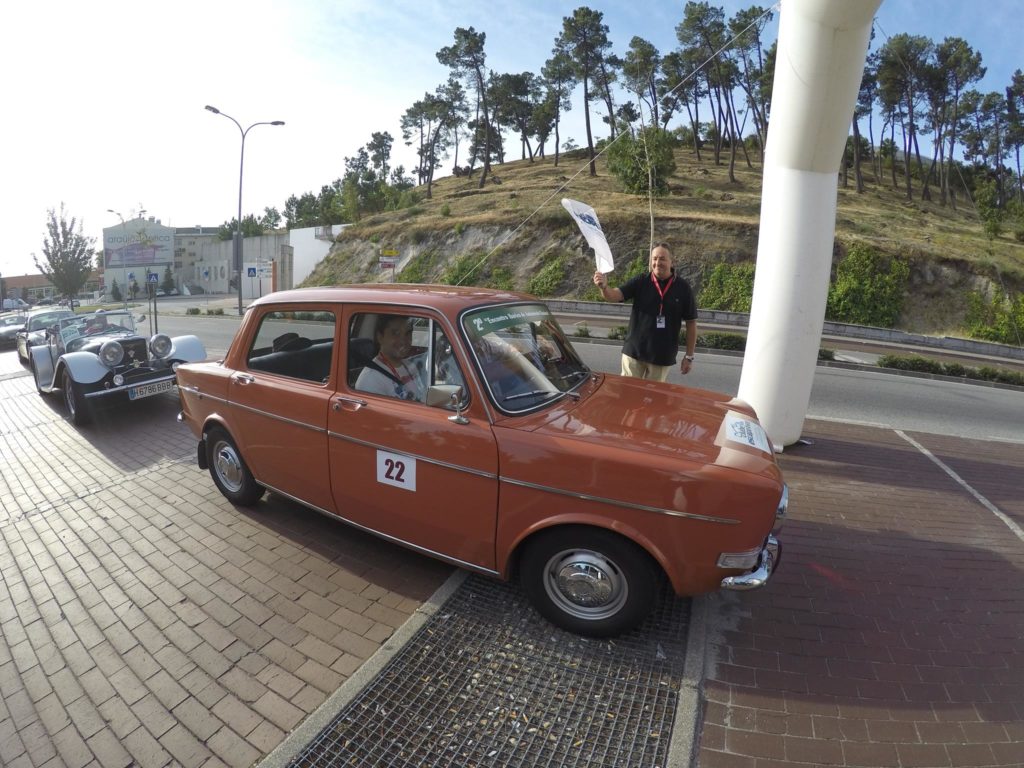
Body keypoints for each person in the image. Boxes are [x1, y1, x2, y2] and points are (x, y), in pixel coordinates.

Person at [593, 242, 697, 381]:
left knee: (652, 400)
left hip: (662, 357)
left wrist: (689, 357)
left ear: (672, 262)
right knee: (627, 397)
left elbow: (691, 323)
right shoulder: (641, 281)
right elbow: (614, 296)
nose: (657, 262)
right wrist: (604, 287)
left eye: (662, 259)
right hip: (634, 353)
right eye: (654, 259)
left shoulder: (683, 288)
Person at [354, 315, 428, 401]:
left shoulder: (410, 365)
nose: (403, 340)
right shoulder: (370, 379)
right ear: (380, 337)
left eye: (408, 333)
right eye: (395, 333)